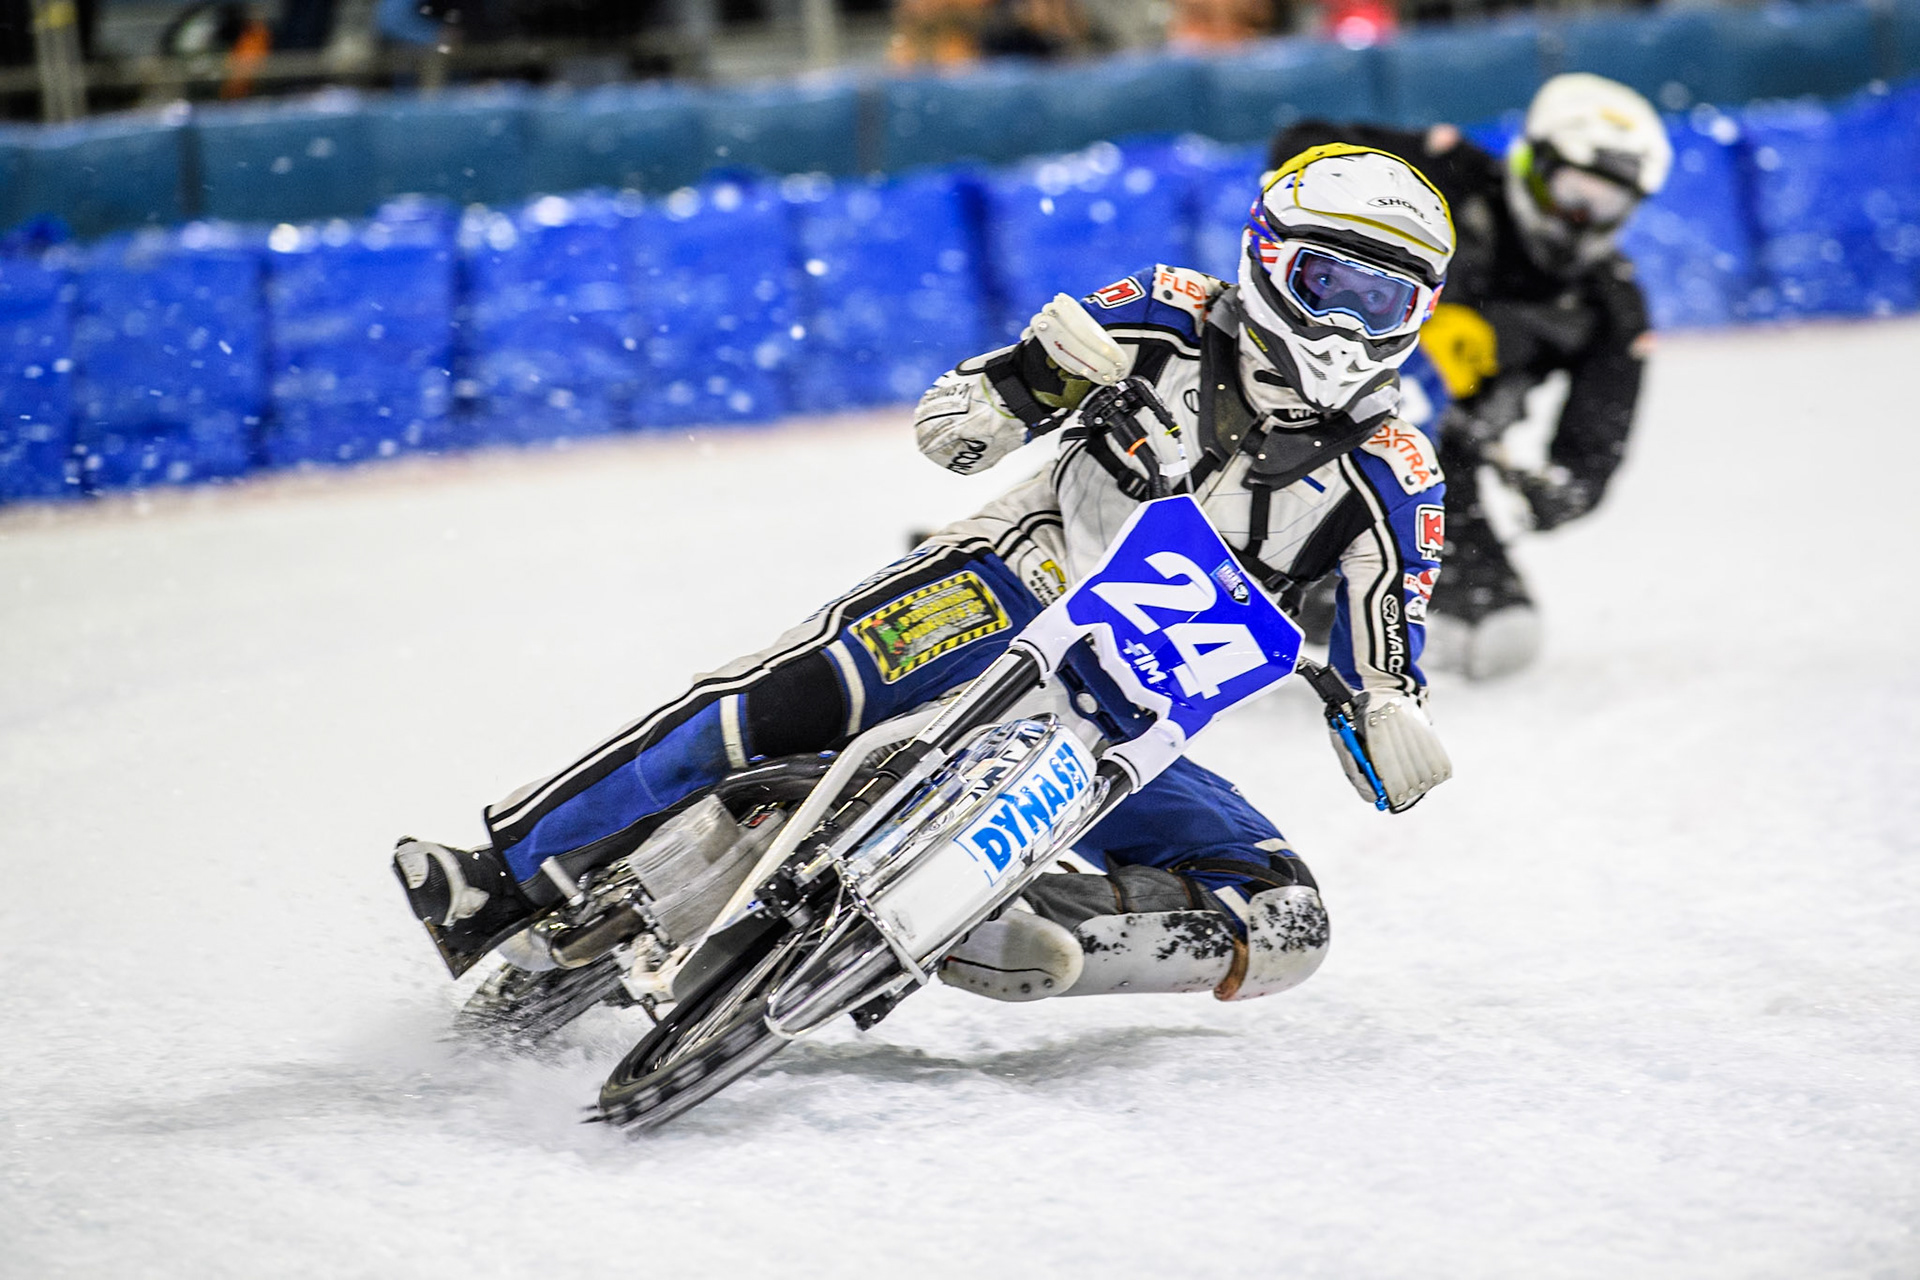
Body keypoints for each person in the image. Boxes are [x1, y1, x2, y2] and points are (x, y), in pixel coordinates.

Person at [396, 144, 1456, 1007]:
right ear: (1267, 257)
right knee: (774, 696)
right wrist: (1034, 377)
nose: (1346, 325)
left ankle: (1024, 921)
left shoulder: (1397, 479)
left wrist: (1386, 714)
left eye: (1382, 298)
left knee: (1286, 916)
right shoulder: (1168, 312)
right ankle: (498, 879)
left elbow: (1384, 665)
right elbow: (949, 433)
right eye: (1329, 283)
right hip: (1006, 588)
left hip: (1131, 722)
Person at [1272, 73, 1673, 678]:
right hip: (1305, 392)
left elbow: (1595, 441)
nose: (1583, 219)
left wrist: (1560, 489)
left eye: (1607, 204)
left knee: (1505, 633)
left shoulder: (1609, 303)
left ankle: (1360, 586)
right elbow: (1299, 147)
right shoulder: (1446, 172)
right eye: (1575, 192)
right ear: (1535, 164)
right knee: (1294, 588)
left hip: (1439, 459)